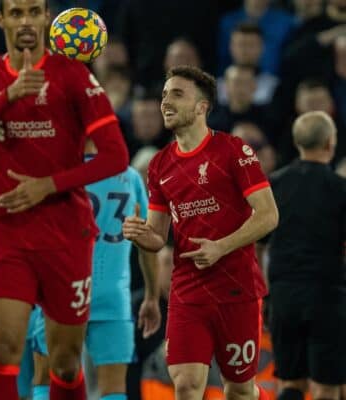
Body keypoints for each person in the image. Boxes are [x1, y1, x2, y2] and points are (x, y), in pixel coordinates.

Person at [0, 0, 129, 398]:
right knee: (2, 350)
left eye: (34, 11)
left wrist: (49, 185)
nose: (26, 21)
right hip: (6, 234)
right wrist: (9, 95)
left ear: (47, 17)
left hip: (66, 234)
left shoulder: (73, 75)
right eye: (16, 13)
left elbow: (115, 154)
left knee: (65, 364)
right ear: (1, 19)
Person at [122, 65, 279, 400]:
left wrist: (221, 247)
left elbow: (268, 215)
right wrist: (139, 233)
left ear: (202, 106)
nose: (166, 102)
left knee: (238, 390)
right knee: (186, 385)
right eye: (165, 95)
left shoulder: (234, 150)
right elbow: (157, 235)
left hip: (236, 288)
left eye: (177, 94)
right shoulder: (160, 164)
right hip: (188, 291)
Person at [28, 138, 161, 400]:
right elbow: (148, 243)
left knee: (47, 377)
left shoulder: (55, 176)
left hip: (62, 294)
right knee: (112, 387)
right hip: (113, 297)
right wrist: (152, 296)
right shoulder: (130, 176)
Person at [264, 111, 346, 400]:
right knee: (326, 387)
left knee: (290, 383)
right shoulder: (340, 189)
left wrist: (266, 293)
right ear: (329, 143)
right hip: (327, 297)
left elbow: (256, 243)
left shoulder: (274, 185)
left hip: (284, 296)